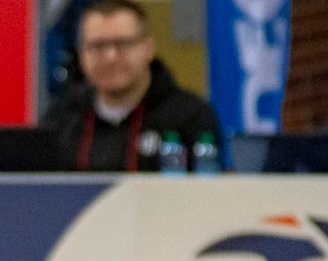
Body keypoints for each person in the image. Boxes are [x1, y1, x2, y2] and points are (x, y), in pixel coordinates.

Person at [42, 0, 224, 172]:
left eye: (122, 44)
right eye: (97, 46)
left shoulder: (191, 117)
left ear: (148, 48)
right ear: (81, 54)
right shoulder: (60, 121)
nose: (110, 57)